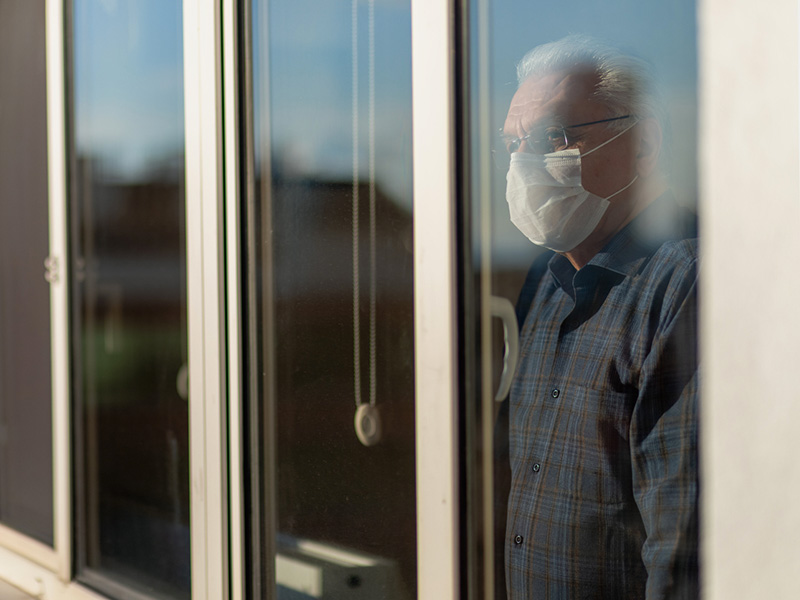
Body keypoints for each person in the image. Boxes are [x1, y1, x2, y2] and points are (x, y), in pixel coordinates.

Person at [499, 34, 699, 599]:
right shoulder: (545, 281)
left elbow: (683, 549)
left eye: (549, 137)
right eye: (513, 144)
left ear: (643, 144)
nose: (523, 162)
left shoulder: (683, 282)